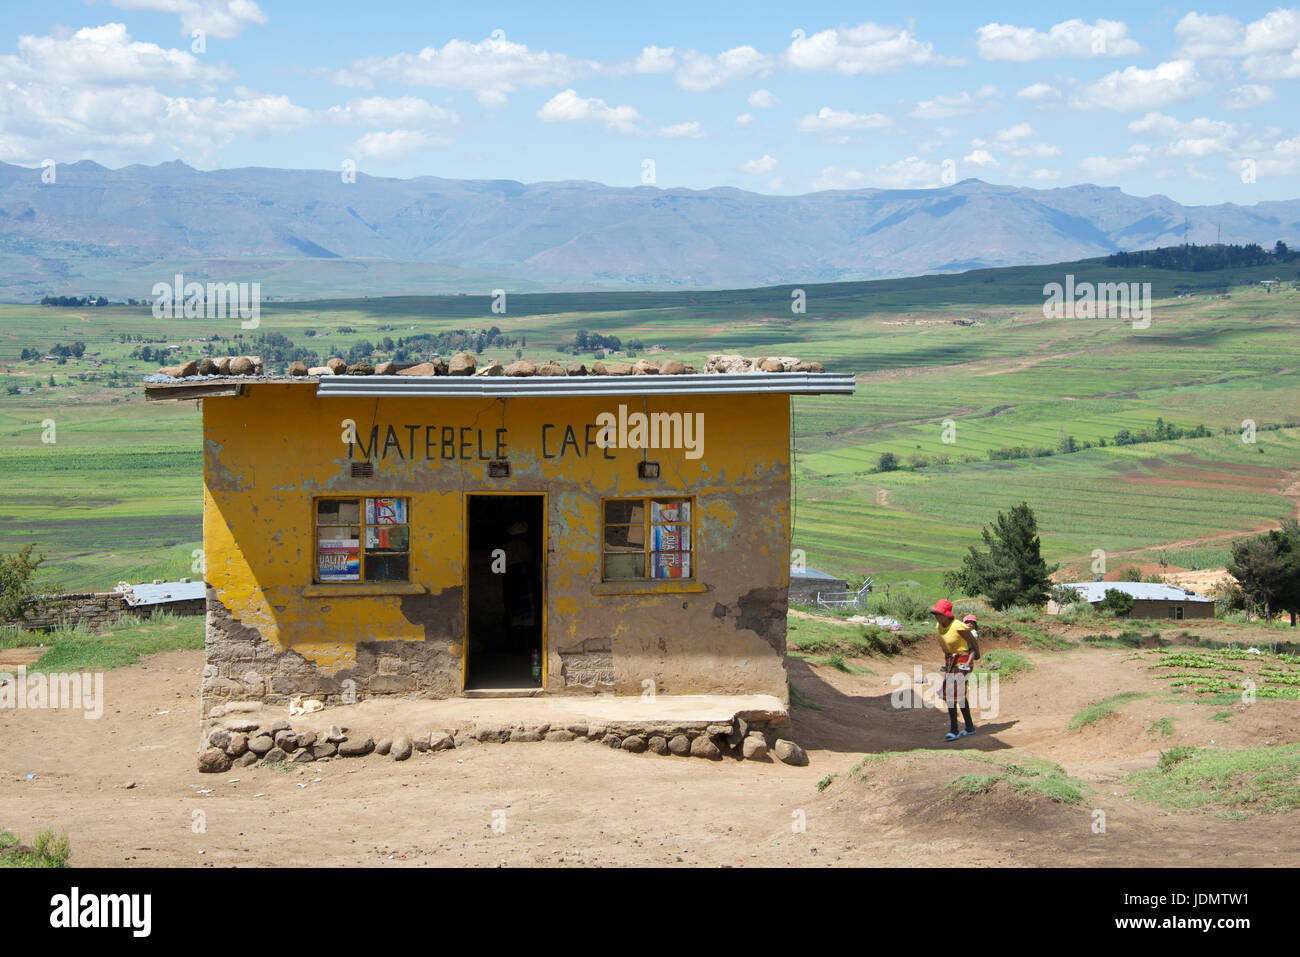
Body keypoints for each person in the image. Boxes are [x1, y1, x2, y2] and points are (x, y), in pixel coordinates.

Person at [930, 599, 976, 741]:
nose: (938, 617)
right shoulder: (939, 625)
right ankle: (969, 728)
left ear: (948, 615)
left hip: (963, 661)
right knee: (958, 695)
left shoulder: (959, 626)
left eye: (941, 615)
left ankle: (954, 730)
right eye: (936, 615)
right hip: (951, 661)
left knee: (952, 695)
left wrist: (970, 662)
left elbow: (973, 645)